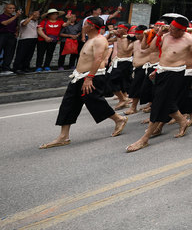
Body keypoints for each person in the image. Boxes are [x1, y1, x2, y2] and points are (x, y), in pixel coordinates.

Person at [125, 17, 192, 152]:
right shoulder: (166, 36)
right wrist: (158, 36)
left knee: (159, 103)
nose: (171, 31)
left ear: (182, 31)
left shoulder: (189, 40)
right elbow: (153, 50)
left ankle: (145, 138)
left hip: (177, 74)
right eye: (170, 28)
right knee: (164, 101)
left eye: (174, 30)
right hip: (162, 71)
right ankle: (182, 121)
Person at [39, 16, 128, 148]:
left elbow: (98, 59)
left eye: (85, 24)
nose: (82, 26)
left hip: (92, 77)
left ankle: (119, 119)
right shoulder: (90, 39)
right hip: (79, 77)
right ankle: (63, 136)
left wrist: (89, 78)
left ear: (91, 26)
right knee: (68, 104)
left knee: (95, 102)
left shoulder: (99, 40)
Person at [0, 4, 21, 75]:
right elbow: (5, 23)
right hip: (1, 35)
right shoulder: (0, 17)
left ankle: (6, 69)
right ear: (5, 9)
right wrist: (16, 16)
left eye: (13, 8)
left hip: (11, 36)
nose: (12, 10)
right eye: (10, 8)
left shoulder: (14, 17)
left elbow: (16, 26)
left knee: (9, 53)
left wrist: (16, 32)